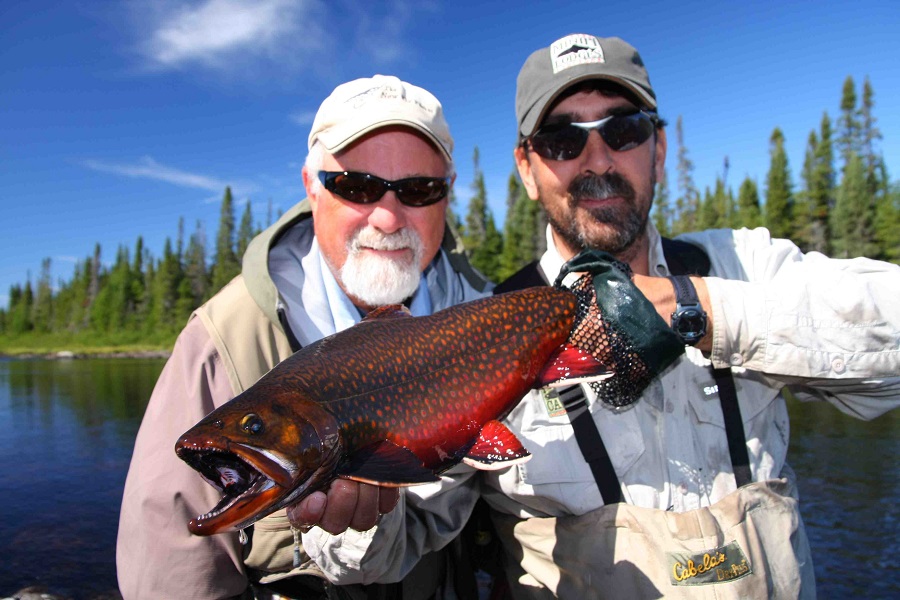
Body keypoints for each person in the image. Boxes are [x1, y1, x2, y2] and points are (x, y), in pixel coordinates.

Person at [299, 34, 900, 598]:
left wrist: (701, 309)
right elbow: (397, 547)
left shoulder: (742, 263)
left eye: (624, 129)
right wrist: (351, 517)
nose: (597, 159)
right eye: (562, 139)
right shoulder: (475, 334)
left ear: (658, 150)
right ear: (528, 170)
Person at [116, 74, 491, 600]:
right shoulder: (224, 339)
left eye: (417, 189)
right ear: (311, 184)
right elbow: (172, 569)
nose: (387, 216)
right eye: (356, 186)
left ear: (447, 194)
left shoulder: (494, 328)